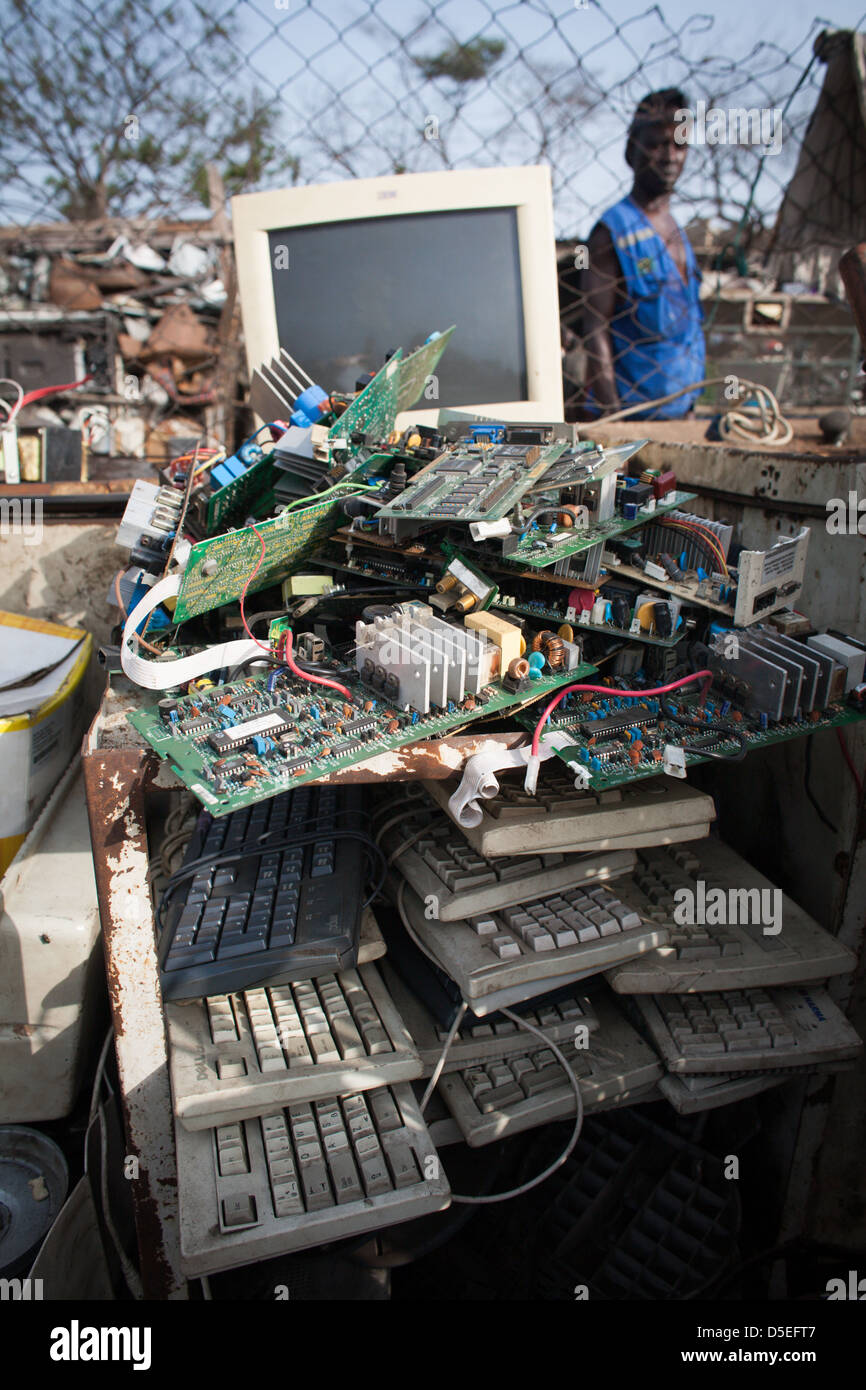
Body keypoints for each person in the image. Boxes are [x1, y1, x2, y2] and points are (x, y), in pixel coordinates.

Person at [583, 88, 705, 419]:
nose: (669, 156)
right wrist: (615, 423)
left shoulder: (677, 230)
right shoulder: (612, 232)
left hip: (681, 415)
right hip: (632, 418)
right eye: (655, 145)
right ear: (630, 153)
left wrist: (690, 411)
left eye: (679, 145)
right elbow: (595, 328)